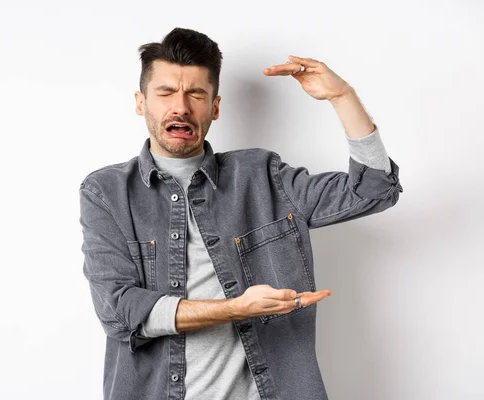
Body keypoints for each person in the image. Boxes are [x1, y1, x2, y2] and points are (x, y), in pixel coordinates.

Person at [78, 27, 402, 400]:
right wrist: (236, 308)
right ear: (141, 102)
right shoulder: (106, 192)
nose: (180, 107)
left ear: (215, 106)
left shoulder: (262, 176)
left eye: (196, 94)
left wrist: (342, 97)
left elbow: (374, 191)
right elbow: (119, 311)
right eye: (165, 92)